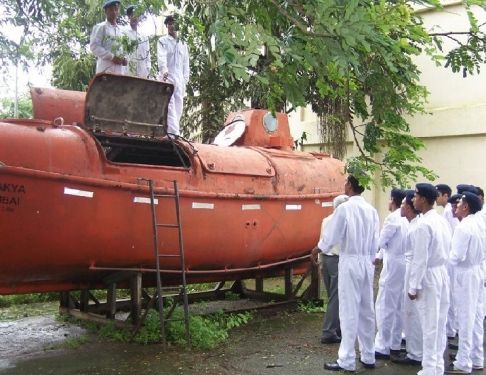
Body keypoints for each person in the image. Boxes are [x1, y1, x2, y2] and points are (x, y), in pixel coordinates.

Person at [318, 175, 379, 372]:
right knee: (366, 310)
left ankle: (346, 359)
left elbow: (331, 236)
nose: (344, 185)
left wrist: (318, 248)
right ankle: (368, 354)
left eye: (345, 182)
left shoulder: (344, 209)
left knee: (348, 310)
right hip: (366, 261)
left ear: (350, 186)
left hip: (350, 260)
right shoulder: (372, 210)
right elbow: (374, 241)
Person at [408, 183, 451, 375]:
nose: (413, 199)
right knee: (439, 323)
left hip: (430, 276)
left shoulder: (424, 224)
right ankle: (436, 366)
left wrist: (413, 286)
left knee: (429, 324)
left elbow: (420, 259)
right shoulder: (440, 220)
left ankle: (429, 368)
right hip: (441, 273)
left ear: (423, 199)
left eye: (416, 196)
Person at [446, 192, 484, 374]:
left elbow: (456, 256)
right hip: (475, 271)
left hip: (465, 273)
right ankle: (475, 357)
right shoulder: (478, 224)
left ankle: (463, 361)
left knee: (465, 317)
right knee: (474, 316)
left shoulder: (464, 227)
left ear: (466, 206)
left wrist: (442, 263)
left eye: (459, 203)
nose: (456, 206)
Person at [374, 188, 408, 359]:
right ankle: (395, 342)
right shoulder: (410, 219)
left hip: (393, 263)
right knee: (399, 305)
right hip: (404, 263)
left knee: (385, 304)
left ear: (393, 200)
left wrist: (377, 253)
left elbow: (381, 241)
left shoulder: (393, 218)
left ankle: (382, 345)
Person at [311, 194, 349, 344]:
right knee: (337, 296)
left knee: (332, 295)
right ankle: (329, 331)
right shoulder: (344, 221)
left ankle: (336, 327)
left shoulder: (326, 220)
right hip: (337, 259)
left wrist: (320, 262)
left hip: (326, 258)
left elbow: (322, 240)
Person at [392, 190, 422, 366]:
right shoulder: (412, 225)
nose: (400, 206)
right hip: (411, 269)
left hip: (414, 271)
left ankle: (416, 353)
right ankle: (414, 349)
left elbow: (419, 258)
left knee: (413, 313)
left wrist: (413, 286)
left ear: (411, 207)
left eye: (404, 203)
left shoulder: (418, 227)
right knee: (409, 312)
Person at [157, 15, 190, 138]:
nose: (171, 26)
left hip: (179, 78)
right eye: (169, 24)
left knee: (178, 105)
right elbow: (161, 57)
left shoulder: (183, 43)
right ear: (167, 26)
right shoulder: (162, 41)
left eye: (173, 23)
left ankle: (172, 132)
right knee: (168, 104)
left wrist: (185, 79)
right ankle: (174, 133)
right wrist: (164, 70)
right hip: (168, 76)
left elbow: (186, 62)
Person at [436, 184, 459, 341]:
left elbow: (452, 236)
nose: (436, 197)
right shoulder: (446, 211)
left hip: (450, 258)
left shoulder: (449, 212)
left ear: (445, 195)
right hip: (450, 257)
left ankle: (450, 329)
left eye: (438, 194)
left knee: (450, 295)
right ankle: (451, 328)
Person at [90, 0, 127, 74]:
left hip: (120, 71)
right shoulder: (100, 27)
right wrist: (111, 57)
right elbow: (94, 47)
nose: (114, 12)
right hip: (105, 70)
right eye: (111, 9)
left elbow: (124, 49)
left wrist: (125, 58)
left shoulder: (121, 30)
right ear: (105, 12)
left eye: (116, 9)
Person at [125, 5, 151, 78]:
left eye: (136, 15)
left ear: (139, 17)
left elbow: (147, 55)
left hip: (142, 74)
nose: (134, 17)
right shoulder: (123, 34)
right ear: (129, 17)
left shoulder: (144, 36)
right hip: (128, 74)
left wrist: (148, 69)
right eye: (132, 15)